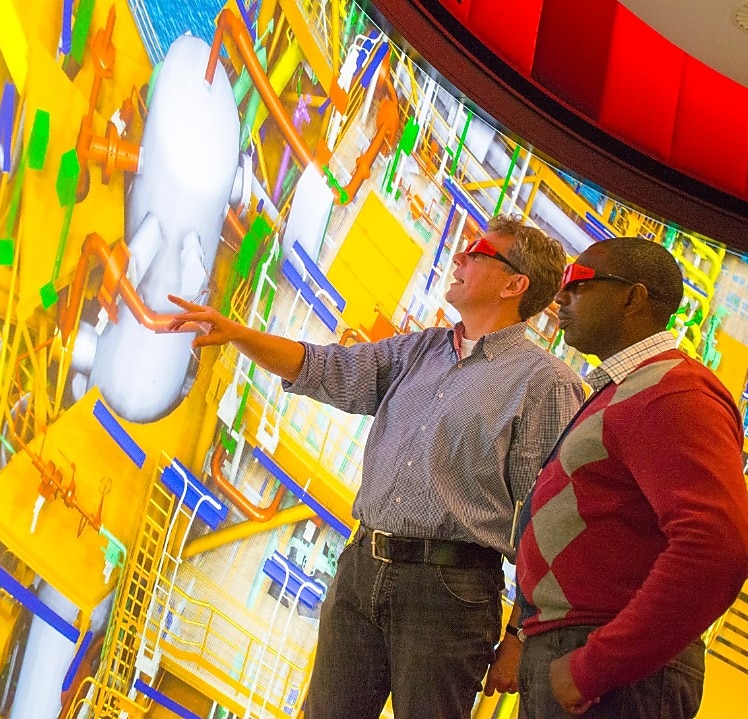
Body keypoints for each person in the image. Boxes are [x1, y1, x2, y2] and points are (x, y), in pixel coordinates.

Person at [169, 215, 584, 719]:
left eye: (477, 252)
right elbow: (327, 368)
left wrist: (519, 633)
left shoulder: (545, 384)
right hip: (363, 567)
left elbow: (546, 522)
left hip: (449, 596)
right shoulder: (422, 349)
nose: (460, 258)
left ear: (515, 284)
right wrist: (239, 335)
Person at [514, 237, 748, 718]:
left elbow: (718, 548)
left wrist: (594, 666)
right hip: (583, 659)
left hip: (611, 682)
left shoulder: (674, 392)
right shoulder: (633, 389)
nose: (559, 298)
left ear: (633, 297)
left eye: (577, 284)